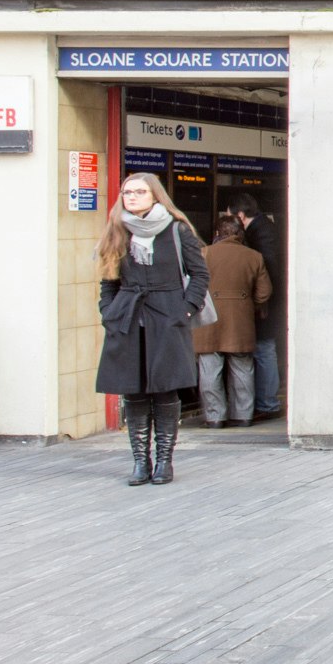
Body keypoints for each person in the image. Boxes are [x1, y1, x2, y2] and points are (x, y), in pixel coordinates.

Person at [95, 173, 209, 486]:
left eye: (139, 192)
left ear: (155, 196)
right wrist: (108, 313)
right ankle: (139, 463)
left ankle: (164, 462)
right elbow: (109, 279)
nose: (131, 197)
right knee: (134, 391)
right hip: (128, 317)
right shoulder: (117, 229)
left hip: (168, 316)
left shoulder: (176, 229)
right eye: (126, 192)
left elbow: (199, 274)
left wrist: (185, 309)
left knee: (165, 388)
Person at [193, 216, 273, 428]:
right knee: (243, 368)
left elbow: (191, 286)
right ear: (240, 234)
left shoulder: (204, 254)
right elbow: (264, 292)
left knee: (210, 369)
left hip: (208, 321)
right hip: (240, 321)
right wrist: (248, 305)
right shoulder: (254, 256)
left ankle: (215, 417)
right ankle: (243, 415)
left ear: (218, 233)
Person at [224, 193, 285, 421]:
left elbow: (268, 270)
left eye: (230, 216)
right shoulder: (263, 229)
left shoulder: (261, 232)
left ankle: (268, 404)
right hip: (266, 304)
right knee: (263, 350)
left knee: (264, 350)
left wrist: (261, 301)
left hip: (266, 306)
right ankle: (265, 402)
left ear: (240, 215)